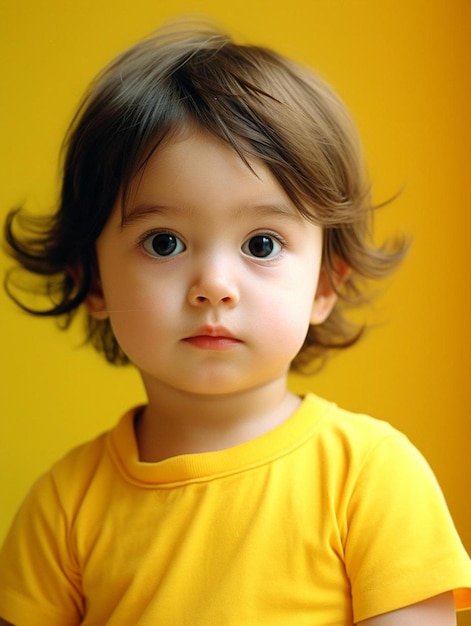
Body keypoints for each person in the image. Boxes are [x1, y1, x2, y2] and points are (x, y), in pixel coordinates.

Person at [1, 21, 470, 626]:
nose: (214, 286)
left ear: (325, 284)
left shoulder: (372, 475)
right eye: (165, 242)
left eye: (263, 243)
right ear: (93, 279)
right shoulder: (63, 508)